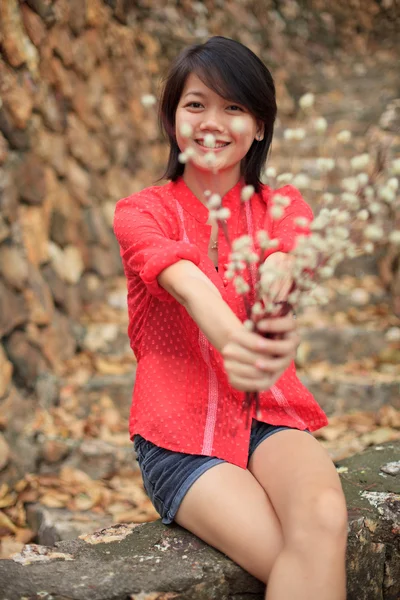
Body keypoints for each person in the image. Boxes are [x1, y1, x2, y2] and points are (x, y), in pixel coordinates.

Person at [113, 36, 348, 600]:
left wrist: (276, 276)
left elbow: (283, 258)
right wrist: (235, 339)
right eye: (196, 105)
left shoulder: (283, 206)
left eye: (234, 107)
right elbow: (188, 283)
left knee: (321, 517)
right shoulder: (141, 212)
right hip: (178, 438)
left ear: (260, 126)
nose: (212, 123)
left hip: (270, 418)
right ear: (173, 121)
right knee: (292, 555)